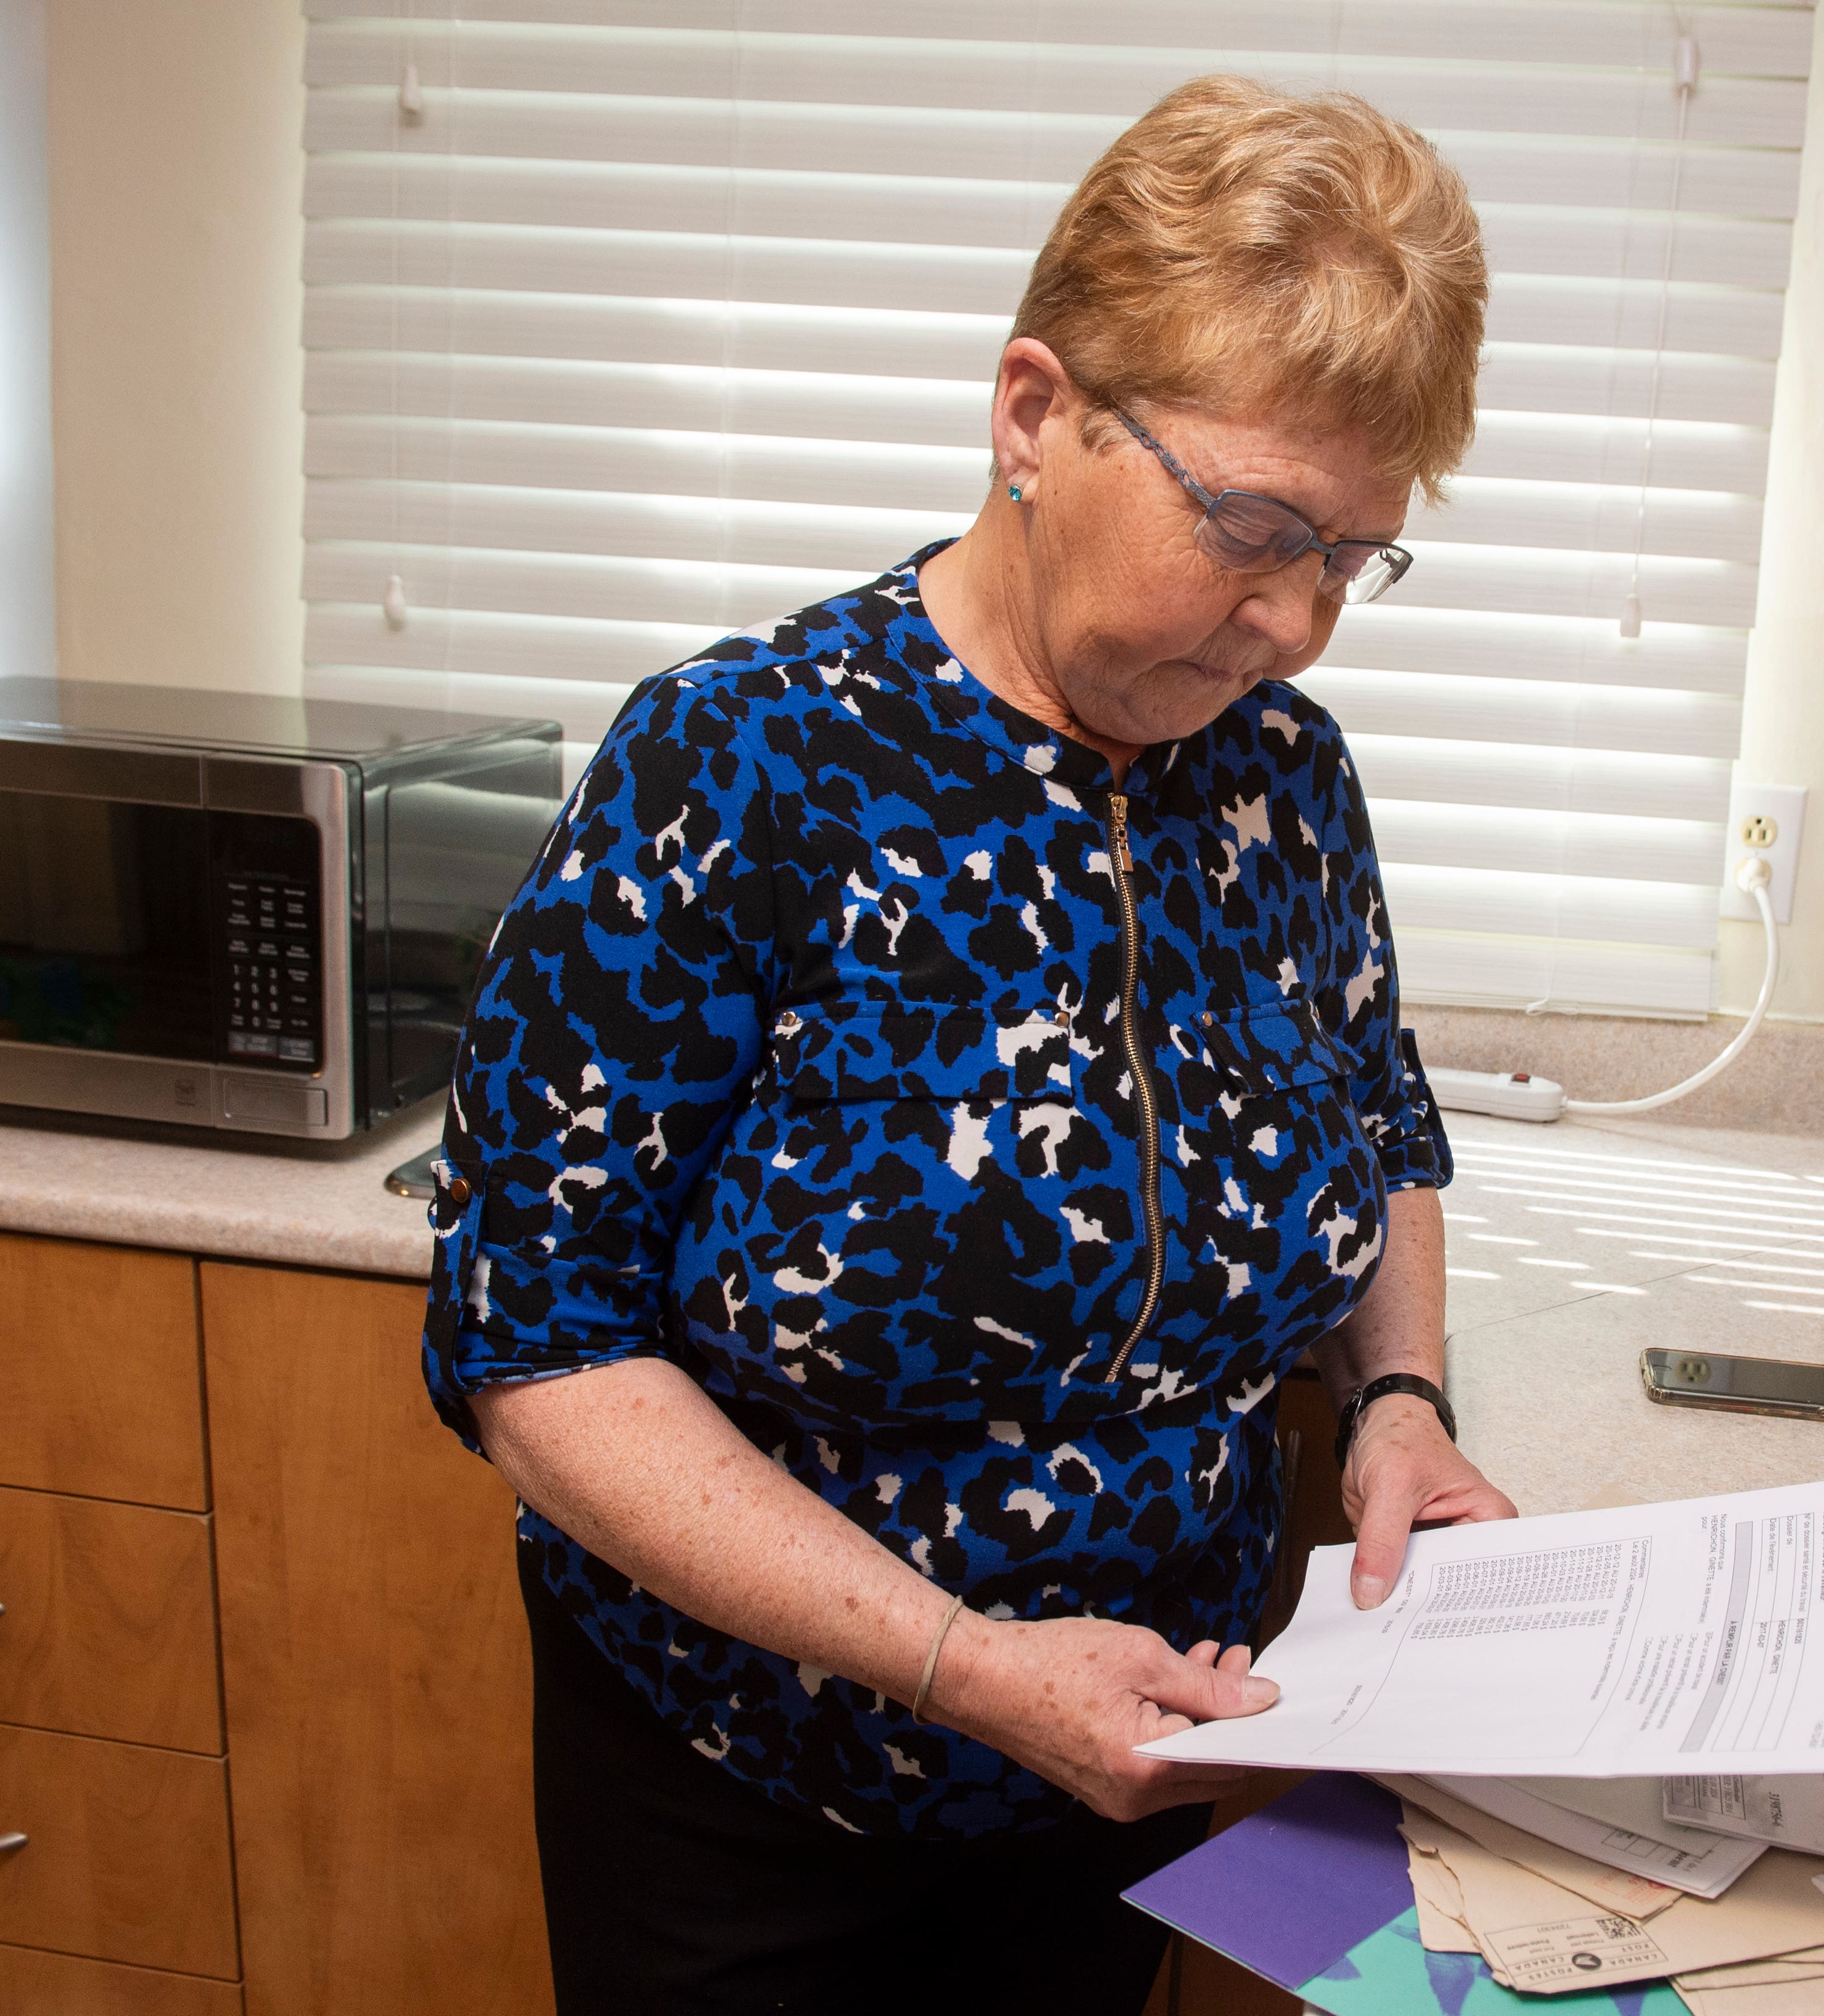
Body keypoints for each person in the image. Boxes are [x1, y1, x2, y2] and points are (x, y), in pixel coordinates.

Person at [420, 74, 1515, 2016]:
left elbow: (1383, 1111)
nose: (1294, 624)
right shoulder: (742, 765)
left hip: (1135, 1782)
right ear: (1036, 418)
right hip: (756, 1799)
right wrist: (958, 1661)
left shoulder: (1284, 780)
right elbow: (537, 1340)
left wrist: (1405, 1407)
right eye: (1253, 526)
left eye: (1352, 557)